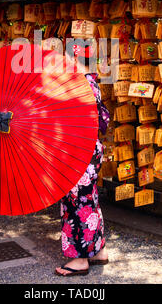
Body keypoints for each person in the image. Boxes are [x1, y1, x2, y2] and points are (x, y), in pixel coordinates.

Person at [55, 42, 110, 276]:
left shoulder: (76, 84)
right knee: (89, 200)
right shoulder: (91, 81)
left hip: (77, 150)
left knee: (75, 204)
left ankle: (78, 259)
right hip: (90, 148)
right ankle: (98, 251)